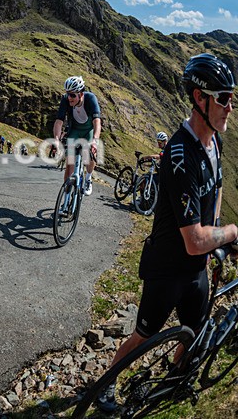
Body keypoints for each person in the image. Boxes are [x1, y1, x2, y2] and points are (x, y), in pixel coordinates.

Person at [95, 53, 238, 412]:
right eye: (223, 98)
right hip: (167, 268)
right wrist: (232, 233)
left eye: (232, 98)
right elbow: (193, 241)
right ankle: (104, 387)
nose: (230, 107)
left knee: (193, 330)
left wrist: (217, 230)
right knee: (143, 334)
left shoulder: (214, 143)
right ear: (199, 98)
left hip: (195, 270)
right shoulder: (179, 155)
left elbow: (217, 188)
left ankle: (174, 380)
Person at [53, 76, 101, 196]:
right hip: (74, 130)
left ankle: (88, 178)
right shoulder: (65, 100)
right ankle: (66, 198)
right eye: (68, 94)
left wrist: (95, 140)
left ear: (81, 94)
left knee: (91, 153)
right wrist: (56, 140)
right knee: (70, 164)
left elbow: (97, 122)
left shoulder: (90, 98)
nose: (69, 98)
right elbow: (59, 121)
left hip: (88, 131)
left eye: (73, 95)